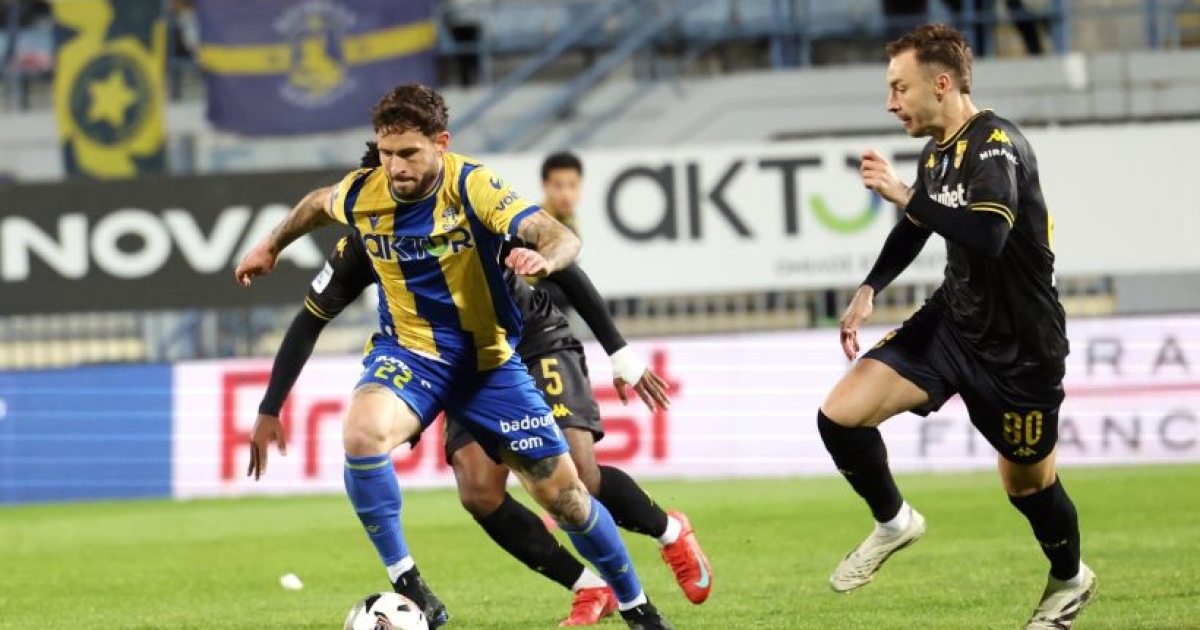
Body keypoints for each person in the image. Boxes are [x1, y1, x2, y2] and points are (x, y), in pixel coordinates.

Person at [235, 84, 674, 630]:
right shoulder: (364, 193)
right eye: (387, 153)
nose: (395, 167)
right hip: (411, 354)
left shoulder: (474, 186)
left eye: (409, 153)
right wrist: (271, 246)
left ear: (440, 143)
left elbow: (557, 236)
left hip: (488, 364)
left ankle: (637, 606)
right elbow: (316, 204)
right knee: (362, 433)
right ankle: (408, 581)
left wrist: (545, 259)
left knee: (567, 498)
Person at [817, 24, 1096, 630]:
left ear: (940, 84)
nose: (891, 102)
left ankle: (1070, 579)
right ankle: (894, 522)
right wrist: (870, 287)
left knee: (1028, 488)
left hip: (1022, 349)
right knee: (839, 415)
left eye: (900, 88)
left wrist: (902, 193)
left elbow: (990, 235)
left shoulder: (996, 145)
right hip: (952, 323)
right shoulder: (937, 152)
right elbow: (919, 227)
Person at [529, 151, 585, 315]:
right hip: (534, 318)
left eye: (572, 185)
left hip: (555, 315)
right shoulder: (533, 226)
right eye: (558, 186)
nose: (566, 194)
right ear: (544, 186)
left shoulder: (570, 221)